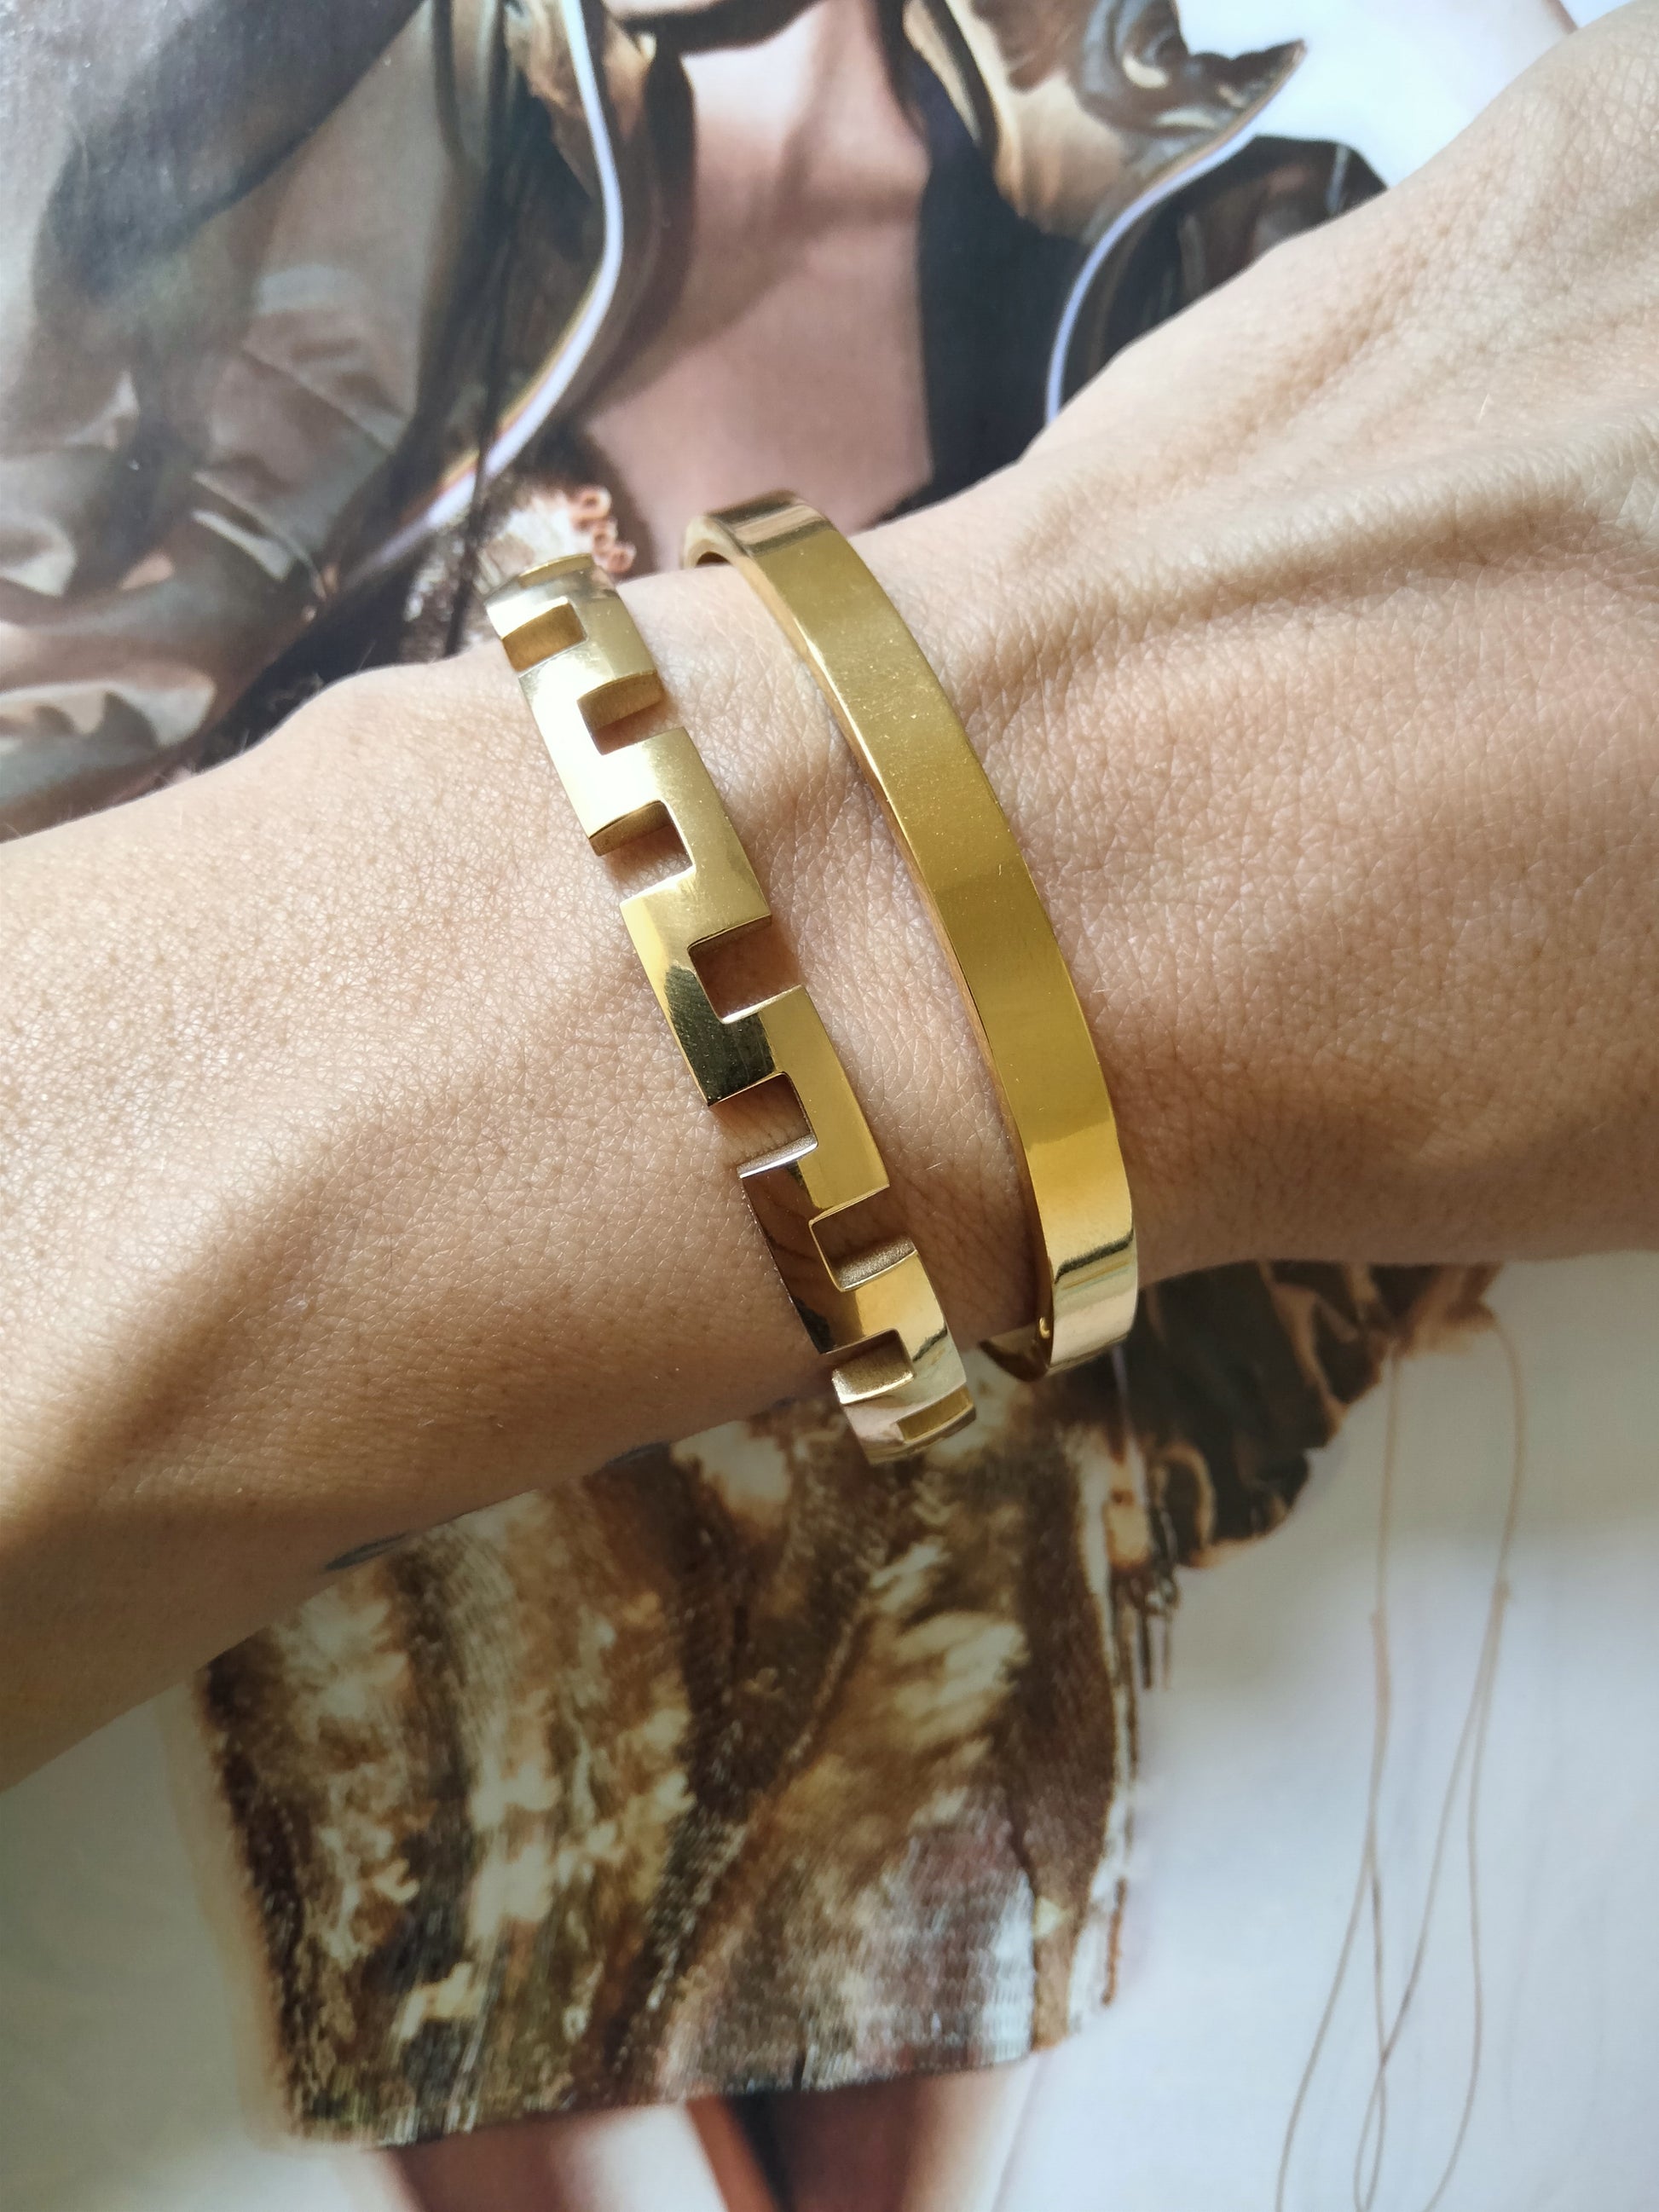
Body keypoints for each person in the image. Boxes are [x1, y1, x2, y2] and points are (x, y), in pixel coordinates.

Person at [1, 1, 1656, 2203]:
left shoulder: (1230, 171)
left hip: (963, 1477)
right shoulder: (355, 157)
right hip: (486, 1520)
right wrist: (1011, 868)